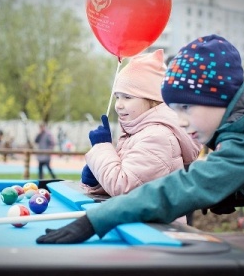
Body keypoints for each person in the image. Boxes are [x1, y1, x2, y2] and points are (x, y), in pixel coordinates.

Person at [36, 34, 244, 244]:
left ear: (218, 98)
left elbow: (184, 186)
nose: (180, 121)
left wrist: (97, 219)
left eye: (186, 107)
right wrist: (235, 193)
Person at [81, 49, 201, 203]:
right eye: (117, 97)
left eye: (127, 97)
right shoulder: (137, 132)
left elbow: (122, 187)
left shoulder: (158, 137)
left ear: (152, 100)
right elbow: (137, 182)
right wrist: (97, 179)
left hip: (154, 226)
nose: (118, 105)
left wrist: (101, 148)